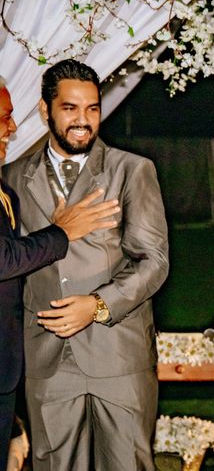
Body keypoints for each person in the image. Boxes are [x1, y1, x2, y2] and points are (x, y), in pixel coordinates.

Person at [3, 59, 169, 471]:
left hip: (118, 357)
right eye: (70, 108)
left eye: (92, 108)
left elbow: (153, 261)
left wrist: (96, 305)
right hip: (46, 360)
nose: (83, 120)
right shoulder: (12, 176)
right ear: (45, 111)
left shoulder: (131, 170)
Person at [0, 78, 120, 471]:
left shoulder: (5, 190)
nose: (12, 128)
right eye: (4, 118)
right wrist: (61, 233)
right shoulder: (16, 177)